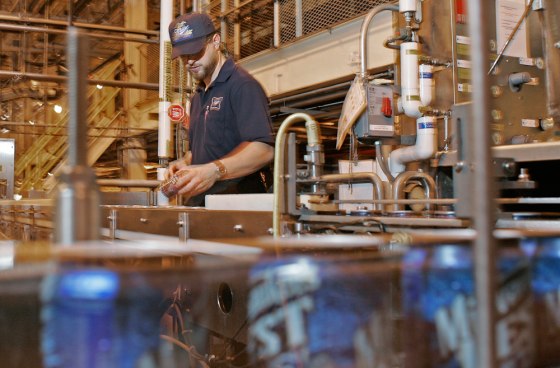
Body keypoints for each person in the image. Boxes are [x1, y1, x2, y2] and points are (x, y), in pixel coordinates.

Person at [165, 12, 275, 206]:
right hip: (204, 202)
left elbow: (264, 150)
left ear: (215, 41)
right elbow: (210, 149)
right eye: (183, 56)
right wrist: (186, 162)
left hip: (236, 204)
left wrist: (214, 171)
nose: (189, 61)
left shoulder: (241, 85)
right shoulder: (198, 96)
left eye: (195, 52)